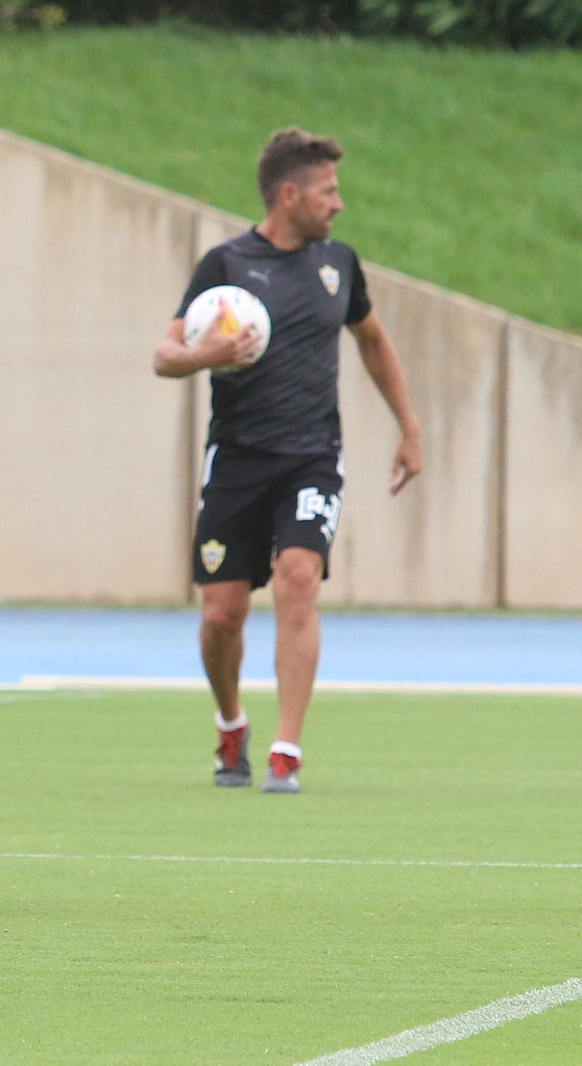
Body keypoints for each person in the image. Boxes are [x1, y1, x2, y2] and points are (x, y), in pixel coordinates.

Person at [153, 128, 423, 794]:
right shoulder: (225, 267)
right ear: (289, 193)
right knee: (222, 615)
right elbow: (164, 354)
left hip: (311, 458)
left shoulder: (340, 265)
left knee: (299, 576)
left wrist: (409, 427)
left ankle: (285, 750)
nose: (339, 203)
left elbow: (374, 340)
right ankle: (231, 724)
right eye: (328, 191)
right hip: (237, 460)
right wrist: (206, 356)